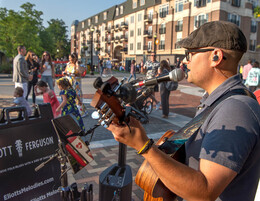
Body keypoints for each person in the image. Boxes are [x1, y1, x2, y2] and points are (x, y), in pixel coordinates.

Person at [107, 21, 260, 201]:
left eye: (190, 54)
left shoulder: (234, 110)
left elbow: (205, 192)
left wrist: (144, 146)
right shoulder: (219, 102)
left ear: (215, 57)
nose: (185, 61)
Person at [63, 53, 88, 117]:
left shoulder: (80, 65)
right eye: (69, 59)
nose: (70, 60)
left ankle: (81, 111)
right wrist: (64, 73)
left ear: (75, 58)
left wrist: (77, 64)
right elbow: (65, 71)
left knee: (77, 96)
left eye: (71, 59)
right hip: (69, 81)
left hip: (76, 83)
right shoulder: (68, 64)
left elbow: (80, 72)